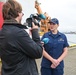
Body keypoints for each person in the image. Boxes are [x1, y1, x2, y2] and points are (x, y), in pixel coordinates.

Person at [0, 0, 43, 75]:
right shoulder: (18, 33)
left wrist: (28, 39)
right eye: (21, 12)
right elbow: (38, 52)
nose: (22, 15)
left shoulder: (3, 32)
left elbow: (15, 49)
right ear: (17, 13)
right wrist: (35, 32)